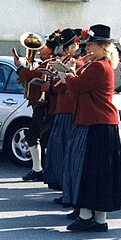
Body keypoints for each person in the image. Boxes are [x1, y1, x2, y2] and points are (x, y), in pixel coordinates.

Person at [61, 24, 121, 232]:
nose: (88, 49)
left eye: (91, 45)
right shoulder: (101, 66)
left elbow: (76, 87)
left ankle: (86, 216)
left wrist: (67, 76)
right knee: (100, 172)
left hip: (94, 123)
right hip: (100, 124)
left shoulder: (97, 67)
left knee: (86, 169)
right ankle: (98, 218)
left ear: (103, 47)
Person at [42, 28, 79, 194]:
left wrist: (53, 84)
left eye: (67, 46)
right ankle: (59, 183)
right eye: (63, 46)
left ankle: (66, 186)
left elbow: (64, 85)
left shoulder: (75, 63)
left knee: (63, 148)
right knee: (56, 147)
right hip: (60, 108)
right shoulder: (65, 61)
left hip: (68, 109)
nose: (64, 49)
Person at [15, 33, 55, 182]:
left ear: (50, 50)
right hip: (39, 104)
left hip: (43, 105)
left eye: (42, 47)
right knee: (38, 137)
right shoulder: (43, 63)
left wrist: (19, 67)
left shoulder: (49, 63)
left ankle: (38, 169)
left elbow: (32, 75)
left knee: (33, 136)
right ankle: (38, 168)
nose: (39, 50)